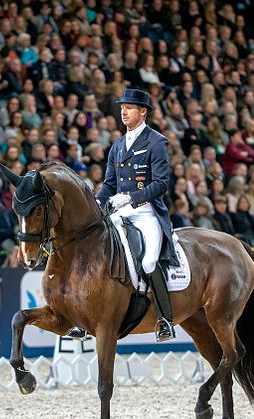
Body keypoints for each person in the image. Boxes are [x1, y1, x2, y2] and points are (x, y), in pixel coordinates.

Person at [94, 88, 177, 342]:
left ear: (143, 111)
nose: (123, 111)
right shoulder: (117, 145)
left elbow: (161, 183)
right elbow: (109, 183)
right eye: (122, 107)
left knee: (149, 262)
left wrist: (132, 197)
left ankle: (165, 320)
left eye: (129, 108)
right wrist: (98, 200)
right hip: (119, 212)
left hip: (146, 212)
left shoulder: (156, 142)